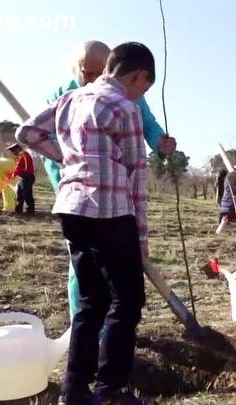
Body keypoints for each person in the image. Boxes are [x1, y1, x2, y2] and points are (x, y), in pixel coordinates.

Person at [16, 41, 155, 405]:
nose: (141, 94)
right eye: (144, 87)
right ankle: (109, 391)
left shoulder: (71, 99)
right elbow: (136, 175)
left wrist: (69, 159)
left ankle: (73, 390)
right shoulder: (126, 107)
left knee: (92, 300)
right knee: (127, 301)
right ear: (139, 76)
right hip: (110, 212)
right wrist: (141, 237)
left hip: (72, 211)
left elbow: (26, 134)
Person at [46, 40, 175, 322]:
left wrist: (160, 143)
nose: (92, 79)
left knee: (118, 274)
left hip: (116, 203)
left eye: (98, 72)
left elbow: (148, 127)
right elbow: (43, 139)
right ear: (74, 69)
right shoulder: (64, 94)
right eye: (85, 72)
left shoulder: (129, 94)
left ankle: (111, 330)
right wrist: (68, 170)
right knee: (82, 273)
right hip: (80, 202)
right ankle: (83, 328)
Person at [6, 143, 35, 216]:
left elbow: (19, 167)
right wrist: (11, 174)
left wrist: (13, 175)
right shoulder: (20, 156)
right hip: (23, 177)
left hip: (27, 177)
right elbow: (18, 167)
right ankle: (18, 210)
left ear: (17, 149)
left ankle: (30, 211)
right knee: (19, 194)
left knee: (27, 194)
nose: (12, 153)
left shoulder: (23, 155)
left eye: (13, 151)